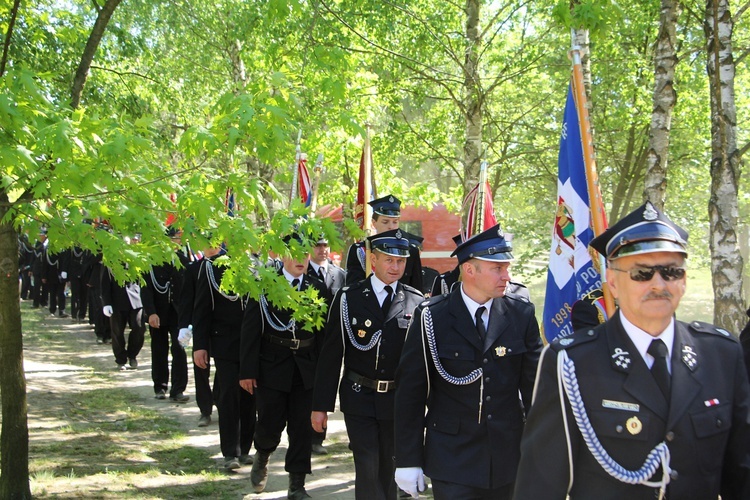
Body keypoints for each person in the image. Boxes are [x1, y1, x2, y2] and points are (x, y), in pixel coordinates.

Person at [513, 201, 750, 499]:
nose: (659, 283)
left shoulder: (721, 355)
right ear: (612, 281)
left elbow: (742, 474)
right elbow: (540, 485)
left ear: (685, 280)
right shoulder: (572, 362)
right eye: (642, 273)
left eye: (671, 272)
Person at [394, 224, 542, 499]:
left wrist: (543, 450)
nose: (506, 276)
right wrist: (407, 458)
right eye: (497, 269)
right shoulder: (432, 317)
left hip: (508, 456)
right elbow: (410, 393)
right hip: (452, 458)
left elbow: (536, 390)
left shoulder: (520, 315)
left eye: (507, 268)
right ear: (470, 270)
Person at [313, 229, 425, 500]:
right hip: (358, 396)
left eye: (401, 261)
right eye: (389, 260)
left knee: (389, 466)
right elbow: (331, 355)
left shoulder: (416, 301)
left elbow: (420, 365)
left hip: (396, 401)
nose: (396, 267)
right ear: (373, 260)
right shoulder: (348, 297)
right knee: (367, 463)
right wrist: (320, 406)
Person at [241, 235, 330, 499]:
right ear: (281, 255)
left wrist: (324, 374)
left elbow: (323, 335)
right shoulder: (266, 286)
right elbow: (250, 329)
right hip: (272, 365)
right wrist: (247, 370)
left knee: (302, 428)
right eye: (295, 253)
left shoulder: (318, 287)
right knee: (270, 422)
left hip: (305, 369)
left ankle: (297, 484)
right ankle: (263, 454)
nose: (301, 259)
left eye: (305, 253)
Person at [192, 248, 255, 470]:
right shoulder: (213, 267)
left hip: (253, 344)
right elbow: (202, 309)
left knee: (250, 396)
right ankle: (230, 452)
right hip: (225, 343)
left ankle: (246, 448)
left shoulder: (258, 265)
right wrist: (200, 345)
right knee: (229, 394)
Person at [306, 234, 346, 455]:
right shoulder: (304, 273)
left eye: (325, 245)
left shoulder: (339, 275)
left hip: (332, 340)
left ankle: (318, 438)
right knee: (309, 387)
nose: (322, 249)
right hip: (309, 339)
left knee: (326, 384)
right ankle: (307, 434)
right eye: (318, 245)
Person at [141, 229, 191, 403]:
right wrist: (151, 312)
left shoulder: (184, 262)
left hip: (178, 314)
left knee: (179, 350)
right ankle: (160, 386)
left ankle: (178, 389)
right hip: (159, 313)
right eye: (173, 239)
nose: (176, 242)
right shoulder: (152, 263)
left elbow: (188, 291)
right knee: (159, 349)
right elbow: (145, 289)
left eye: (177, 239)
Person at [178, 244, 220, 427]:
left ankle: (218, 398)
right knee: (201, 367)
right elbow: (187, 299)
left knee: (225, 367)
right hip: (201, 325)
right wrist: (183, 326)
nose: (213, 246)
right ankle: (205, 409)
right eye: (209, 242)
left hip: (222, 328)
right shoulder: (194, 268)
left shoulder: (228, 267)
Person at [345, 195, 423, 291]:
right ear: (374, 222)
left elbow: (417, 289)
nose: (391, 227)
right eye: (385, 222)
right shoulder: (362, 249)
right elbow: (352, 290)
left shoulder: (410, 250)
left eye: (395, 222)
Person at [101, 266, 146, 370]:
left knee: (139, 327)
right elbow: (104, 282)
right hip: (117, 300)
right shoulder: (110, 261)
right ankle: (121, 359)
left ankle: (132, 355)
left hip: (136, 300)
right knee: (117, 332)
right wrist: (106, 303)